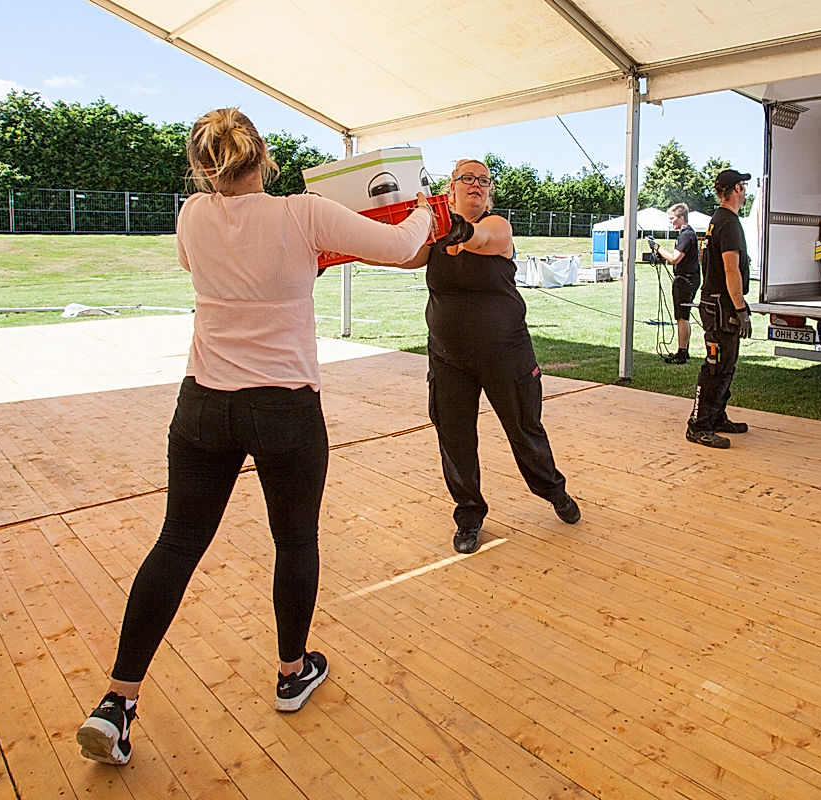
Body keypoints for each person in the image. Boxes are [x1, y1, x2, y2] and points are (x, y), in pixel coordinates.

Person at [76, 107, 436, 765]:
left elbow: (212, 267)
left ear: (203, 165)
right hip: (285, 409)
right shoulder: (302, 213)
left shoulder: (192, 216)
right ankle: (292, 672)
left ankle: (117, 700)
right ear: (263, 157)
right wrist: (429, 215)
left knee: (177, 542)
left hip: (203, 405)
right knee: (295, 540)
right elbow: (399, 247)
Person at [391, 158, 579, 555]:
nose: (476, 185)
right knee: (455, 439)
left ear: (488, 190)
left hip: (506, 354)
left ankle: (553, 490)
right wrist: (346, 246)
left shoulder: (497, 226)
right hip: (448, 358)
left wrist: (444, 224)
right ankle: (469, 515)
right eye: (467, 179)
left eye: (483, 180)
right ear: (452, 186)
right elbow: (399, 254)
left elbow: (480, 240)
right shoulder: (432, 236)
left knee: (525, 431)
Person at [686, 169, 754, 449]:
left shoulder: (720, 220)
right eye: (744, 187)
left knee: (726, 364)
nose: (746, 192)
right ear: (737, 188)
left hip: (717, 303)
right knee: (716, 366)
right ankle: (698, 426)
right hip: (721, 306)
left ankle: (716, 417)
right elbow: (731, 268)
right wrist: (740, 308)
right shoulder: (728, 223)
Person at [647, 202, 701, 364]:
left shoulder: (686, 235)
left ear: (681, 217)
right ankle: (684, 349)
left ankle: (682, 352)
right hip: (689, 278)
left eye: (672, 218)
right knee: (684, 316)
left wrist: (657, 248)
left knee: (681, 317)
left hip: (685, 280)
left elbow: (674, 258)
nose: (670, 222)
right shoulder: (688, 234)